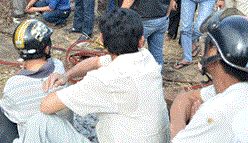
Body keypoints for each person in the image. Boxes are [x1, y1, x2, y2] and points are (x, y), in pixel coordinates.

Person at [21, 8, 171, 143]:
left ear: (101, 39)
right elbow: (96, 62)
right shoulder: (146, 58)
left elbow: (45, 106)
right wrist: (66, 76)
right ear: (141, 41)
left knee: (39, 122)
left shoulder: (108, 79)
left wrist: (64, 90)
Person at [0, 19, 68, 143]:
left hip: (33, 138)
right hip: (63, 136)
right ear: (46, 49)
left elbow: (6, 112)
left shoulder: (14, 86)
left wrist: (20, 75)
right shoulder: (59, 68)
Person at [170, 9, 248, 142]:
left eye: (207, 43)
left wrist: (192, 126)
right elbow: (184, 98)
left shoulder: (216, 111)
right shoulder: (233, 87)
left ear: (214, 53)